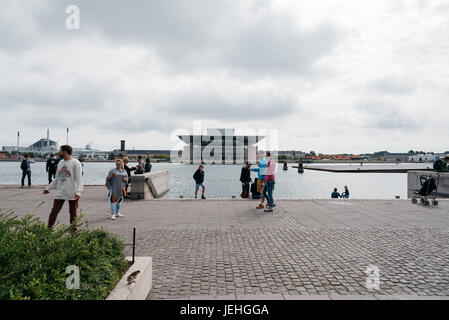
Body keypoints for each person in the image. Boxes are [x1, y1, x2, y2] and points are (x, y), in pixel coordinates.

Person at [43, 145, 83, 230]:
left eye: (60, 150)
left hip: (72, 192)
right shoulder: (61, 162)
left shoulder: (76, 163)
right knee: (54, 211)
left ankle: (73, 232)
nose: (59, 152)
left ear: (65, 151)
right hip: (60, 191)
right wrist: (48, 188)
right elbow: (57, 178)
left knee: (73, 213)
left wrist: (78, 192)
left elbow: (79, 179)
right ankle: (48, 230)